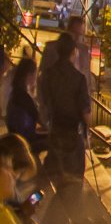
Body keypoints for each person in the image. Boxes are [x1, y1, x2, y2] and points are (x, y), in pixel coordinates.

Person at [41, 32, 93, 185]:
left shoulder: (48, 75)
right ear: (73, 52)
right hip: (73, 135)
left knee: (55, 177)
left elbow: (44, 100)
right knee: (74, 180)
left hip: (55, 130)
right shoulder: (78, 78)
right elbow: (85, 111)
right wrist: (88, 128)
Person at [3, 55, 35, 153]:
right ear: (29, 75)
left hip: (15, 137)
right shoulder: (24, 97)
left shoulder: (15, 93)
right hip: (25, 141)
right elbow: (39, 118)